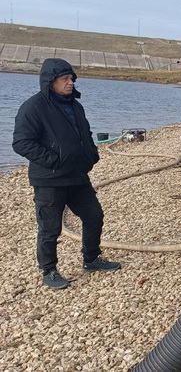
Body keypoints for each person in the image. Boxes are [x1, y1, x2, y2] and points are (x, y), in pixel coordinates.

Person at [13, 58, 121, 290]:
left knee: (94, 216)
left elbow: (85, 134)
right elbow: (21, 143)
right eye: (65, 79)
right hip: (49, 179)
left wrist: (91, 155)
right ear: (50, 82)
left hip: (77, 176)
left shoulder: (75, 105)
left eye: (71, 78)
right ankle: (49, 270)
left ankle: (91, 259)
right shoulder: (33, 107)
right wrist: (55, 160)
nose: (70, 82)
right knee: (50, 228)